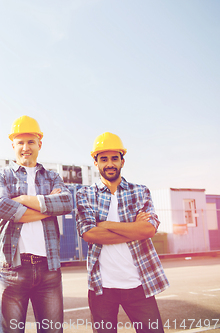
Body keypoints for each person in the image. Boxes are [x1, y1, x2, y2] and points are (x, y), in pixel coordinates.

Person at [76, 132, 169, 333]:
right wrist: (133, 229)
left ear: (122, 161)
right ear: (96, 163)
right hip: (102, 288)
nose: (109, 163)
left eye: (114, 158)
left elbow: (148, 229)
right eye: (104, 159)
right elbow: (89, 235)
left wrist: (105, 224)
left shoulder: (140, 191)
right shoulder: (85, 194)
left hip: (139, 284)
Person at [0, 115, 74, 333]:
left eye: (31, 142)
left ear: (39, 144)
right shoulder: (1, 175)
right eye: (20, 142)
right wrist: (48, 208)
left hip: (49, 269)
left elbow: (66, 203)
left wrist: (23, 200)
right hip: (13, 269)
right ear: (13, 145)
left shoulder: (53, 177)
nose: (26, 148)